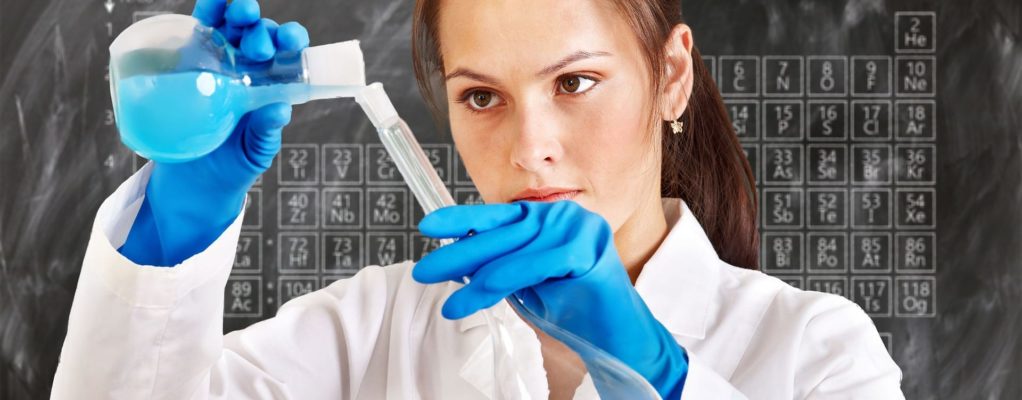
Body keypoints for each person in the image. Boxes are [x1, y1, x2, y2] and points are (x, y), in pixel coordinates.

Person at [51, 0, 905, 398]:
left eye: (575, 82)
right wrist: (175, 229)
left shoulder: (816, 350)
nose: (530, 147)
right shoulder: (372, 332)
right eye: (482, 97)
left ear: (671, 76)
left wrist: (657, 373)